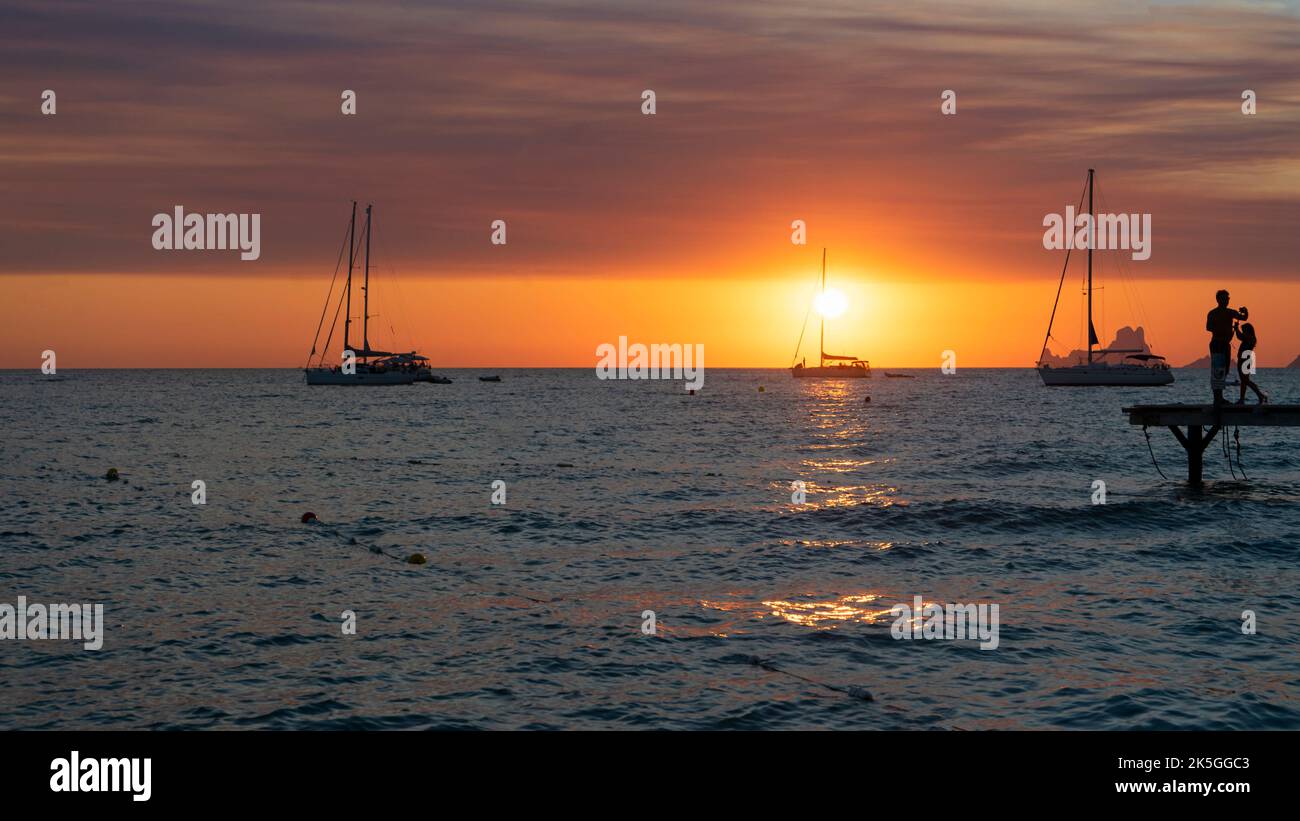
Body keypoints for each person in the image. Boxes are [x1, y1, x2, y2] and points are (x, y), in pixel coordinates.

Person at [1205, 290, 1247, 405]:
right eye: (1224, 298)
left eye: (1228, 298)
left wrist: (1245, 311)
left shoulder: (1231, 312)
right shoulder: (1212, 313)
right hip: (1217, 344)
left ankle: (1220, 397)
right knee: (1217, 371)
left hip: (1225, 345)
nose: (1226, 300)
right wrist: (1223, 329)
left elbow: (1244, 318)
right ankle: (1217, 398)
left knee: (1225, 370)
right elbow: (1208, 327)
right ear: (1218, 300)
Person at [1235, 321, 1268, 404]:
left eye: (1244, 330)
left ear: (1248, 330)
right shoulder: (1250, 337)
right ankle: (1242, 399)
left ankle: (1261, 395)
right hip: (1245, 360)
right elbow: (1240, 336)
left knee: (1246, 380)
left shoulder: (1250, 337)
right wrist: (1237, 329)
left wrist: (1236, 328)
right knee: (1244, 381)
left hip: (1245, 360)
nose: (1243, 332)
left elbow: (1240, 336)